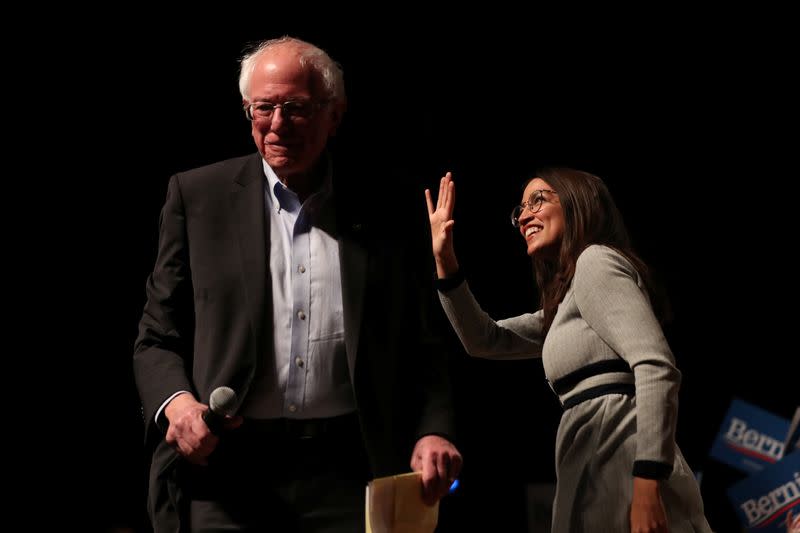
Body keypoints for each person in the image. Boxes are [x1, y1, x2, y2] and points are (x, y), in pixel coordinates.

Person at [133, 36, 462, 532]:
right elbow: (156, 337)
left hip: (352, 468)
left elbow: (429, 340)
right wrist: (177, 407)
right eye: (263, 108)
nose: (278, 124)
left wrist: (434, 429)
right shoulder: (198, 197)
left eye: (297, 108)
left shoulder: (386, 206)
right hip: (228, 471)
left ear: (335, 114)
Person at [425, 169, 711, 532]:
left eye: (538, 200)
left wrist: (646, 482)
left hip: (623, 456)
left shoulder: (595, 262)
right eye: (520, 210)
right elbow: (485, 340)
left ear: (577, 203)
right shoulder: (565, 304)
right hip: (592, 462)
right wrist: (445, 260)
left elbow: (656, 366)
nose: (524, 215)